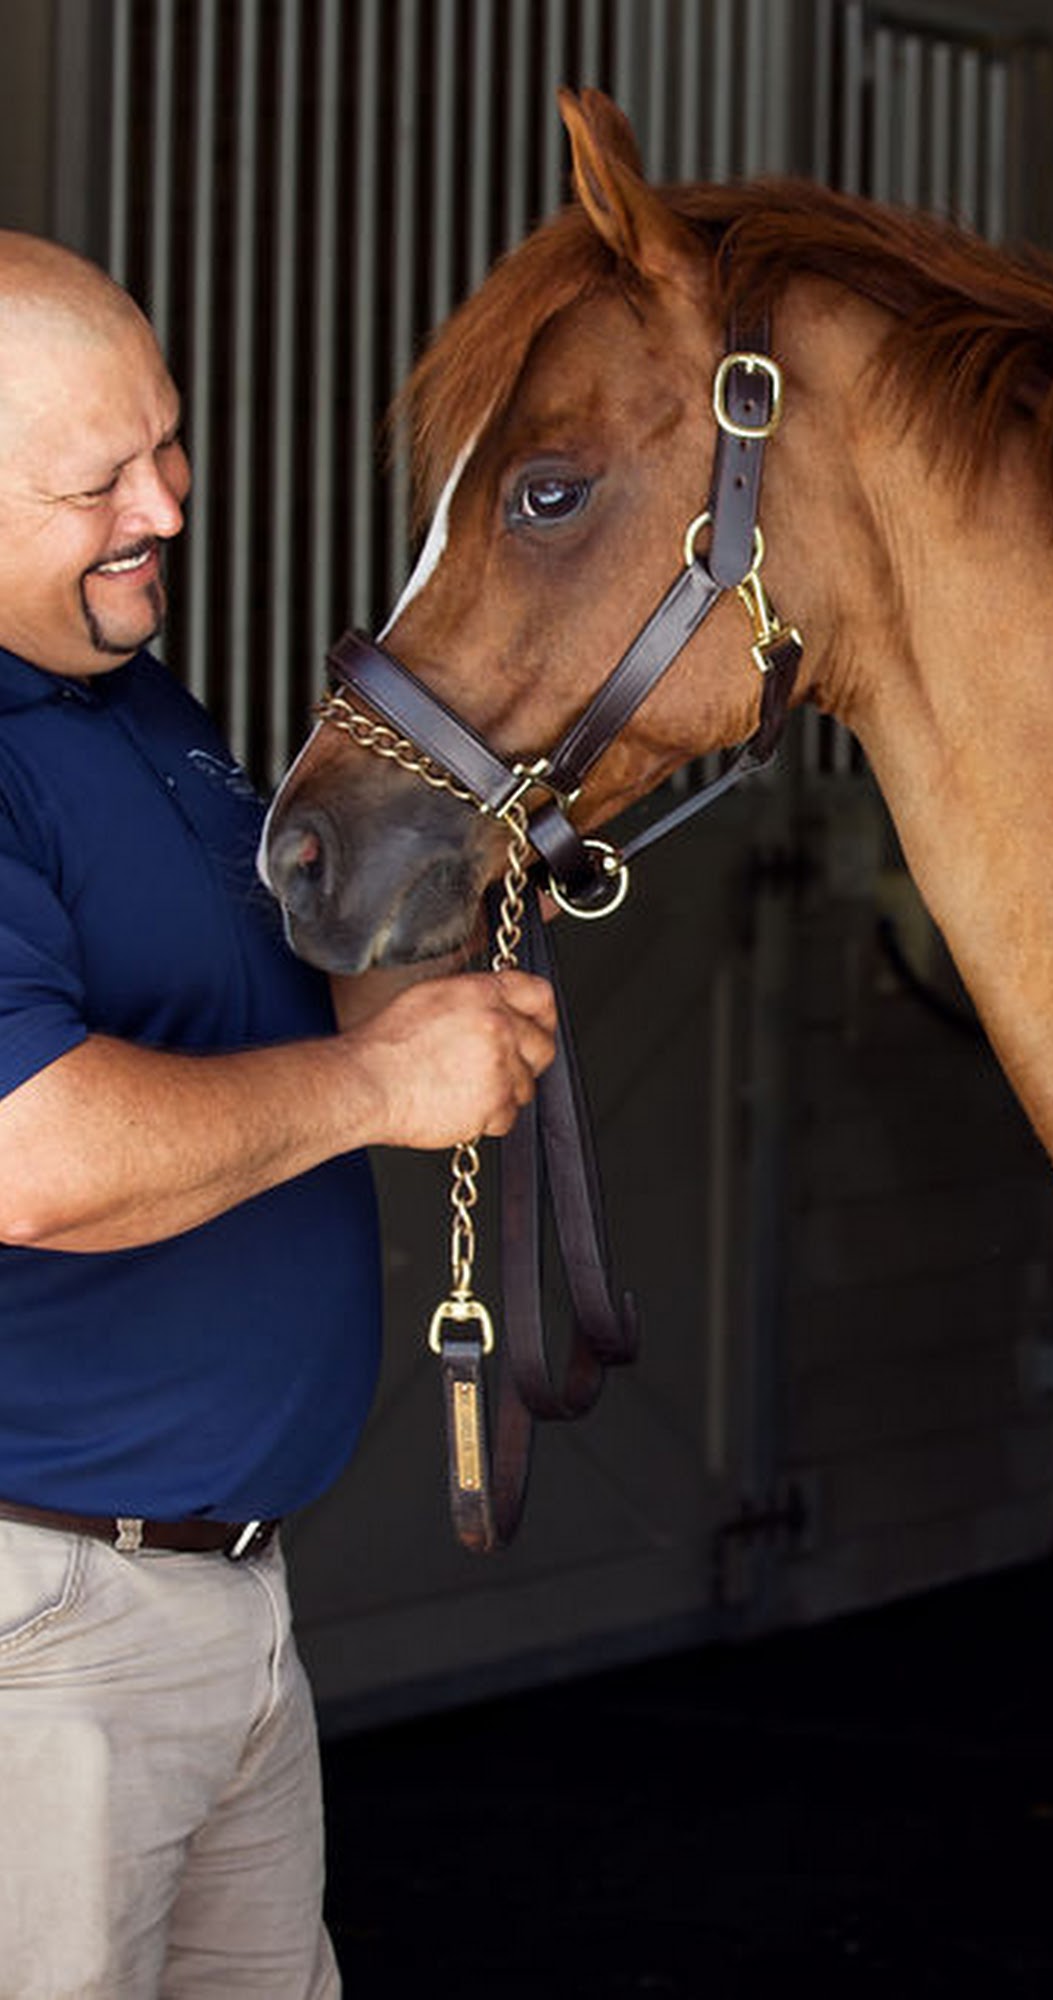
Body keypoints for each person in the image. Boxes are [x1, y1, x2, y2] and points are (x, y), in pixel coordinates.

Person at [0, 232, 557, 1996]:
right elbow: (37, 1153)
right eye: (94, 481)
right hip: (46, 1634)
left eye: (165, 441)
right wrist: (391, 1083)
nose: (164, 504)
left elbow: (252, 1010)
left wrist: (428, 939)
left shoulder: (130, 697)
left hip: (223, 1604)